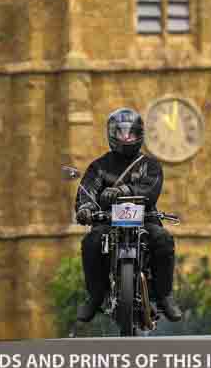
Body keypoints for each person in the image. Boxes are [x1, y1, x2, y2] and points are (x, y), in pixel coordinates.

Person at [75, 107, 182, 323]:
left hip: (145, 219)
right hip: (107, 221)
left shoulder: (150, 165)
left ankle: (165, 296)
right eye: (121, 133)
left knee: (163, 240)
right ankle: (95, 296)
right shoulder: (98, 167)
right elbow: (88, 189)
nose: (126, 137)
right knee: (91, 242)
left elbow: (151, 189)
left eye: (131, 133)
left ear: (139, 134)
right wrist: (85, 208)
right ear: (112, 134)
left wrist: (125, 191)